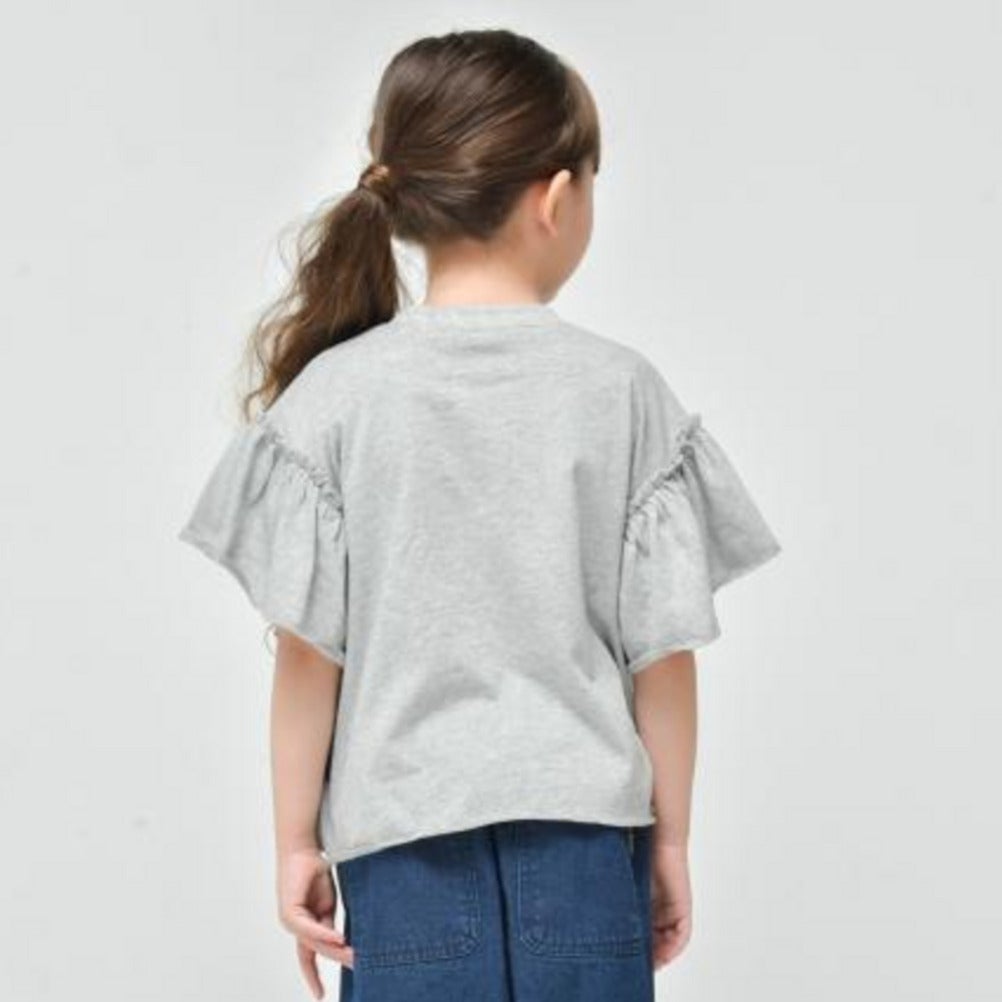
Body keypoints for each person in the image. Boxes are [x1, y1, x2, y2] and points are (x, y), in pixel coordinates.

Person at [177, 27, 781, 1002]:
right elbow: (662, 655)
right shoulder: (622, 392)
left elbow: (308, 656)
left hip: (401, 853)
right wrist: (671, 841)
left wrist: (295, 842)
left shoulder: (335, 399)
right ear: (557, 196)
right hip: (588, 853)